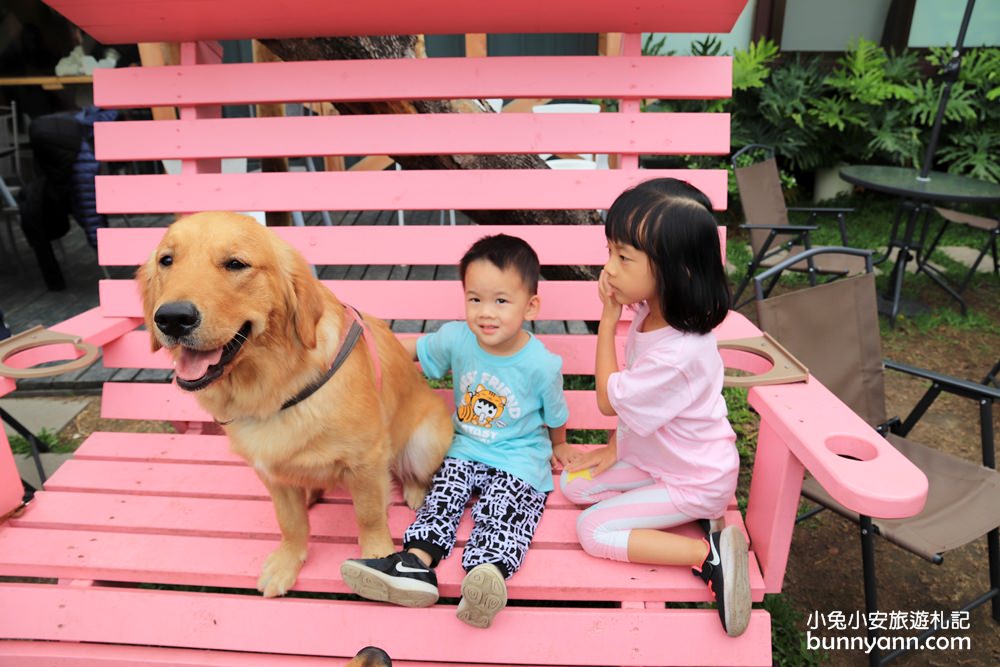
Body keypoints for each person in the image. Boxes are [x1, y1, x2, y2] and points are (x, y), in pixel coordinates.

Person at [340, 234, 578, 628]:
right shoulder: (457, 337)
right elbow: (413, 349)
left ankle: (486, 576)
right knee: (442, 499)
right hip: (464, 448)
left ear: (530, 306)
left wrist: (561, 444)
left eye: (501, 301)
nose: (486, 313)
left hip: (519, 459)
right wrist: (371, 350)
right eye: (475, 299)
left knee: (504, 511)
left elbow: (555, 413)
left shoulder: (542, 365)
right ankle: (414, 564)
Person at [559, 178, 751, 637]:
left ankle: (709, 555)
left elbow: (608, 399)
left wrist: (607, 319)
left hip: (696, 478)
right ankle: (664, 509)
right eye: (611, 251)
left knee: (592, 530)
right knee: (574, 482)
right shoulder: (652, 311)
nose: (609, 269)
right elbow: (639, 408)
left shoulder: (679, 354)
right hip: (658, 458)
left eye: (623, 257)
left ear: (675, 269)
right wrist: (617, 447)